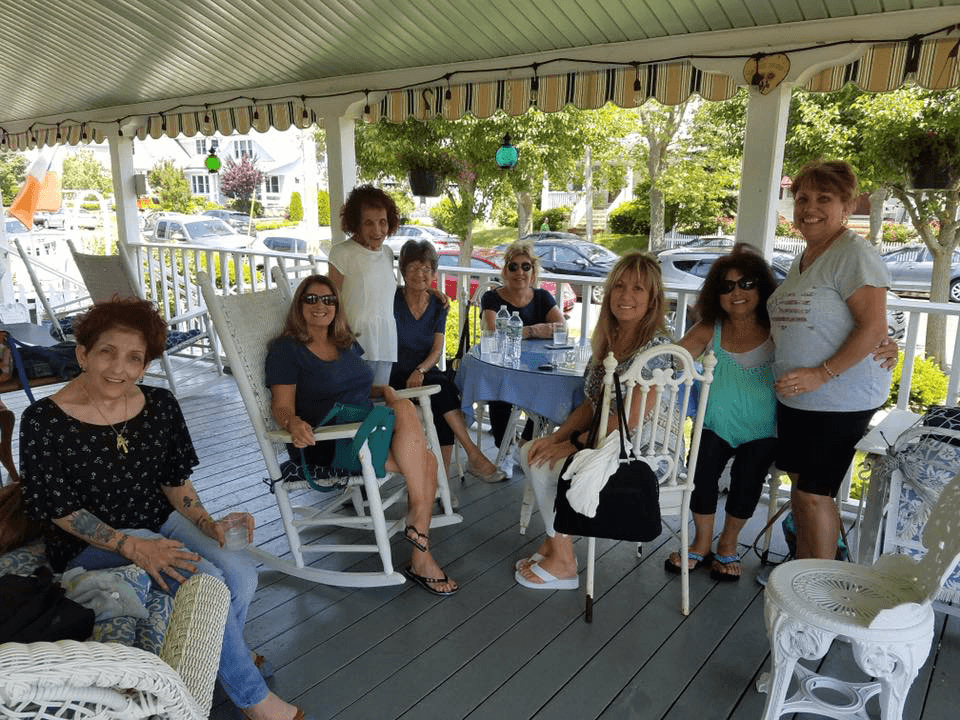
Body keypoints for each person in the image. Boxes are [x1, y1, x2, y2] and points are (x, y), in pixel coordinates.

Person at [19, 298, 307, 720]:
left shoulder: (159, 405)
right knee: (204, 579)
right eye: (107, 352)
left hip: (159, 517)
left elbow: (174, 481)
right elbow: (60, 509)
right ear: (82, 354)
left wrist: (206, 522)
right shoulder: (43, 420)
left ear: (145, 364)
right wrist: (132, 547)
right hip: (88, 541)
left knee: (242, 570)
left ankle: (221, 652)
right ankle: (256, 701)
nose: (119, 368)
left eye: (134, 358)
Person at [265, 275, 458, 596]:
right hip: (328, 441)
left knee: (423, 453)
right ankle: (420, 529)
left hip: (364, 430)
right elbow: (281, 406)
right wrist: (293, 423)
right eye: (310, 299)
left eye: (328, 299)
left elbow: (354, 388)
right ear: (298, 306)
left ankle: (419, 551)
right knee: (421, 452)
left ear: (337, 306)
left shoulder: (343, 341)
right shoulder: (286, 350)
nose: (320, 306)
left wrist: (384, 390)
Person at [515, 252, 673, 589]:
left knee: (544, 463)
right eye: (619, 286)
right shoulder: (608, 339)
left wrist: (573, 445)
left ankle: (564, 561)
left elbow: (630, 419)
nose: (626, 296)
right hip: (605, 438)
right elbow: (592, 403)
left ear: (653, 299)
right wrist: (561, 436)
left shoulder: (657, 349)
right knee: (533, 449)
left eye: (638, 289)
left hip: (643, 454)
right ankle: (556, 541)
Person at [768, 160, 892, 560]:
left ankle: (814, 590)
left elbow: (872, 328)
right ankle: (814, 564)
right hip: (799, 397)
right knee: (804, 489)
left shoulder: (854, 254)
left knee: (812, 493)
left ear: (847, 205)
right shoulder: (805, 256)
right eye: (802, 198)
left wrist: (821, 374)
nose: (809, 207)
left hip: (838, 399)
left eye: (824, 198)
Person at [667, 246, 780, 581]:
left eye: (746, 283)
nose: (737, 292)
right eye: (727, 286)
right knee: (700, 479)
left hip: (763, 428)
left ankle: (728, 544)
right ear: (716, 294)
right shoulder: (708, 329)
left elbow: (821, 346)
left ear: (762, 288)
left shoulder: (778, 329)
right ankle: (702, 543)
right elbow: (674, 359)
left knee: (748, 484)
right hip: (714, 423)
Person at [392, 239, 505, 483]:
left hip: (423, 373)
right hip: (395, 373)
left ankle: (438, 481)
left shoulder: (438, 304)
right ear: (402, 270)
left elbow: (437, 348)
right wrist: (417, 372)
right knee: (443, 392)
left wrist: (421, 370)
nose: (419, 274)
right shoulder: (391, 300)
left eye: (426, 269)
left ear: (434, 273)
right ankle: (472, 455)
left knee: (442, 399)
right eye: (412, 267)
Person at [481, 241, 565, 450]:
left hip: (537, 368)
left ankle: (526, 443)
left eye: (526, 266)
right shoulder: (492, 297)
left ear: (533, 271)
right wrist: (534, 330)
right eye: (514, 266)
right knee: (499, 392)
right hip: (503, 369)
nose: (520, 272)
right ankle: (505, 448)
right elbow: (493, 331)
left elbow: (562, 327)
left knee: (553, 391)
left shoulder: (542, 297)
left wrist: (518, 333)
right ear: (505, 271)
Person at [327, 185, 400, 387]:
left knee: (379, 407)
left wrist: (432, 294)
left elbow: (384, 292)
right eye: (368, 223)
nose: (377, 230)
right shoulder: (342, 253)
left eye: (382, 222)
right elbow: (331, 299)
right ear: (356, 224)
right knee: (356, 405)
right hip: (354, 343)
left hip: (385, 341)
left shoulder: (386, 253)